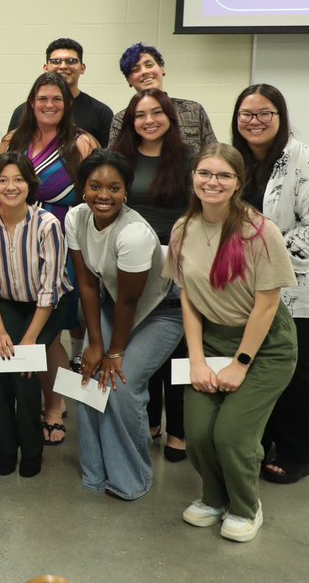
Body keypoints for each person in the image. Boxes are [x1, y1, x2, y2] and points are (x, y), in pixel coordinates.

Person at [166, 143, 297, 542]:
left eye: (224, 175)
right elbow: (188, 299)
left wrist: (240, 363)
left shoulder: (260, 232)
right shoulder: (182, 229)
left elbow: (267, 305)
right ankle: (214, 497)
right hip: (211, 339)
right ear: (193, 178)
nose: (213, 182)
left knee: (232, 435)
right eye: (205, 173)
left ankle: (245, 506)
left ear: (238, 182)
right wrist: (197, 360)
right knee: (199, 432)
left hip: (264, 345)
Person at [230, 84, 309, 485]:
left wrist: (256, 266)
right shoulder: (240, 162)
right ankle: (271, 439)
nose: (255, 121)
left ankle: (297, 455)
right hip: (258, 287)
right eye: (247, 113)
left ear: (280, 117)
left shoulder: (307, 161)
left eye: (265, 113)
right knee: (268, 366)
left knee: (301, 372)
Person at [68, 149, 183, 500]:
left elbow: (132, 302)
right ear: (83, 189)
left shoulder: (133, 234)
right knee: (88, 376)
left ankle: (132, 478)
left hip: (162, 309)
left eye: (114, 188)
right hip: (112, 302)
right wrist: (94, 346)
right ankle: (95, 471)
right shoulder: (76, 219)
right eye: (95, 186)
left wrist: (114, 352)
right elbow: (87, 285)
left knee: (120, 384)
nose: (104, 195)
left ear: (126, 192)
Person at [1, 70, 100, 443]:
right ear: (31, 103)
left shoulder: (81, 143)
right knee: (34, 328)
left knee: (51, 332)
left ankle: (54, 407)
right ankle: (36, 400)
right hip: (17, 244)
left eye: (56, 99)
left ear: (67, 104)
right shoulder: (14, 140)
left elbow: (94, 196)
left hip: (63, 243)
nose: (49, 105)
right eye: (42, 98)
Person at [111, 88, 194, 463]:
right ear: (131, 121)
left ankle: (178, 429)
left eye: (156, 113)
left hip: (176, 261)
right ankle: (151, 421)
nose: (148, 120)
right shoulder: (120, 157)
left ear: (169, 117)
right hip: (132, 261)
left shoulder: (187, 157)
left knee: (177, 348)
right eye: (140, 114)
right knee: (142, 337)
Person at [0, 152, 73, 477]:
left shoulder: (47, 224)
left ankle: (31, 449)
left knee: (26, 375)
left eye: (18, 179)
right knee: (0, 372)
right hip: (5, 304)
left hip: (43, 307)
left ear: (29, 184)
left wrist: (29, 340)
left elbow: (50, 289)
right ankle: (7, 446)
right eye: (2, 179)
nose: (10, 186)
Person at [108, 43, 217, 151]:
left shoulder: (193, 110)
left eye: (149, 65)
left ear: (162, 68)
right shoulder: (122, 119)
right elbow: (114, 162)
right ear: (129, 80)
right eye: (136, 69)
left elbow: (213, 153)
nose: (145, 72)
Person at [8, 38, 114, 147]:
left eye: (71, 61)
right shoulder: (23, 112)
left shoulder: (102, 113)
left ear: (82, 68)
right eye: (56, 61)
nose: (63, 66)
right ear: (46, 68)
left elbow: (106, 160)